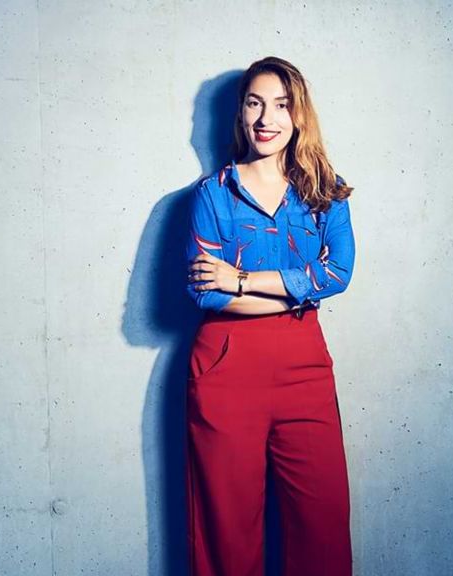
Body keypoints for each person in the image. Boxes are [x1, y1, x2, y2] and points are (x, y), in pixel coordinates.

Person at [184, 56, 356, 576]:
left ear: (298, 114)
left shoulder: (325, 192)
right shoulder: (213, 193)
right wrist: (300, 290)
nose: (267, 119)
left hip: (304, 366)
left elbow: (338, 273)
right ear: (240, 112)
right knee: (227, 528)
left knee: (322, 524)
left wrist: (240, 280)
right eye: (255, 103)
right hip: (225, 365)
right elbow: (206, 296)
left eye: (281, 105)